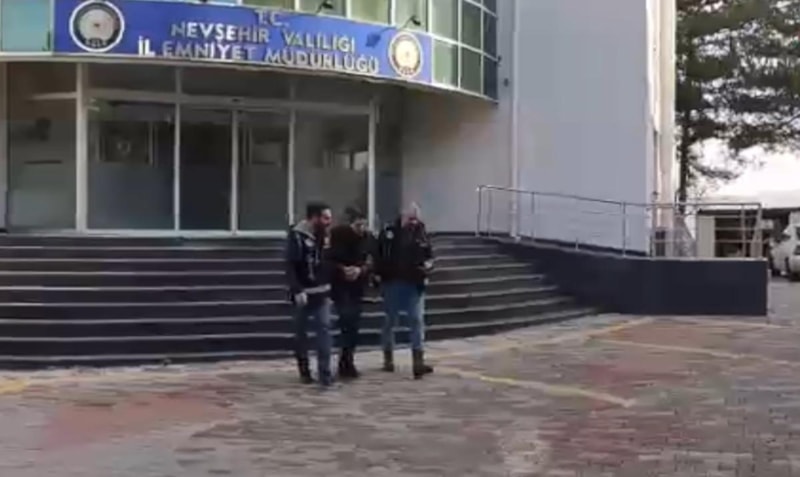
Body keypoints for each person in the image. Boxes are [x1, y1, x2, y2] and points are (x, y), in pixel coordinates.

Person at [375, 203, 435, 379]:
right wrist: (378, 275)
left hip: (414, 282)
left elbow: (429, 254)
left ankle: (418, 362)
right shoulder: (389, 232)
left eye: (416, 218)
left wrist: (428, 265)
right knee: (390, 320)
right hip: (393, 282)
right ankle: (388, 357)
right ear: (403, 216)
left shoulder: (421, 232)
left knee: (416, 320)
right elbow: (379, 254)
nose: (413, 222)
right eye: (411, 218)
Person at [285, 202, 334, 386]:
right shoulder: (297, 236)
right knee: (301, 334)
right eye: (325, 218)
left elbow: (328, 261)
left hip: (322, 293)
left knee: (324, 330)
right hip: (304, 294)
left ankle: (325, 374)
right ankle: (304, 370)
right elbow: (291, 265)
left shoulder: (325, 235)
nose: (329, 222)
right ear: (314, 218)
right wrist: (296, 289)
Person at [329, 207, 373, 380]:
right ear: (350, 224)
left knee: (353, 324)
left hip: (358, 286)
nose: (361, 228)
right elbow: (328, 258)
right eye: (357, 225)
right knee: (346, 320)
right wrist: (342, 269)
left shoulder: (368, 238)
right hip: (340, 285)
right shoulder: (337, 235)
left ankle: (348, 361)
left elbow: (372, 260)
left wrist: (360, 270)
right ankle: (344, 361)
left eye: (364, 225)